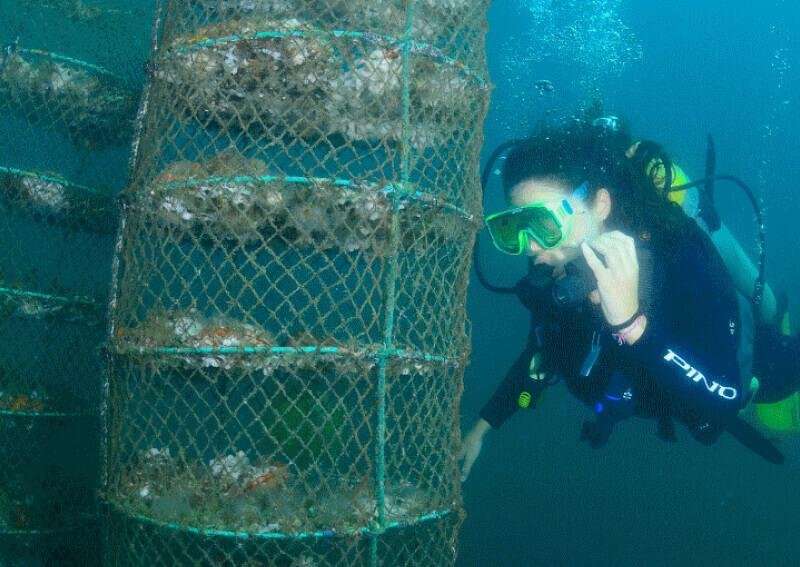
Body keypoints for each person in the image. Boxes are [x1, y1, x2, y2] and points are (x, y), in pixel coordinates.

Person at [460, 115, 800, 481]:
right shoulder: (561, 268)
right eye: (513, 229)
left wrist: (632, 327)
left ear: (601, 204)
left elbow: (726, 396)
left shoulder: (677, 251)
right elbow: (544, 349)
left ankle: (775, 312)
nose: (532, 247)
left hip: (758, 365)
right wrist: (483, 426)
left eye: (543, 223)